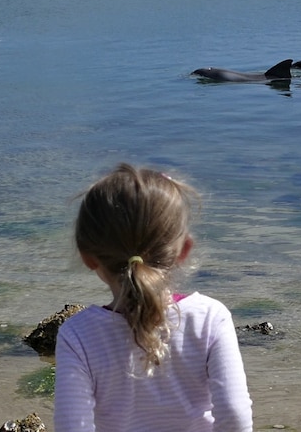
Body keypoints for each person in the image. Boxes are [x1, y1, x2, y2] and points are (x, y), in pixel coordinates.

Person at [54, 163, 253, 432]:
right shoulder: (210, 318)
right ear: (183, 251)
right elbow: (234, 415)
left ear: (87, 256)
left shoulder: (78, 335)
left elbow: (72, 427)